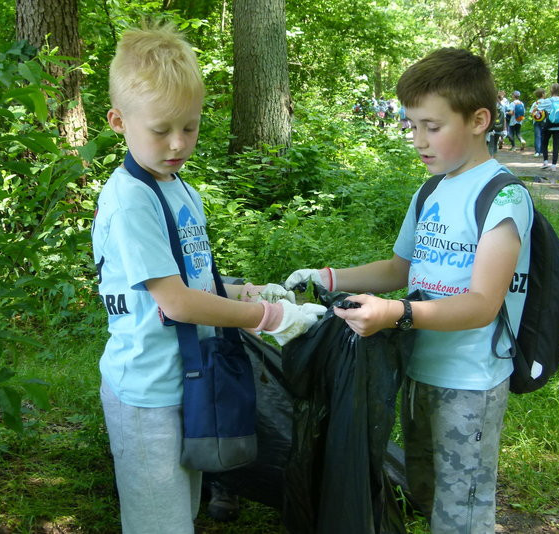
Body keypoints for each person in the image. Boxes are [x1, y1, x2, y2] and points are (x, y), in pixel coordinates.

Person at [285, 48, 533, 533]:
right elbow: (400, 266)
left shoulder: (501, 197)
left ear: (479, 120)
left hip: (469, 379)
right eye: (411, 124)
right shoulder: (431, 191)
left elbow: (482, 305)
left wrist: (396, 315)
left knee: (461, 506)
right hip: (416, 368)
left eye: (431, 126)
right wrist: (326, 277)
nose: (417, 139)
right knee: (427, 488)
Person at [92, 22, 326, 534]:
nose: (178, 143)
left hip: (189, 383)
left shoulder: (179, 188)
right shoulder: (131, 200)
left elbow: (196, 283)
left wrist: (251, 292)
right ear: (118, 121)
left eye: (190, 127)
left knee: (182, 510)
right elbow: (175, 303)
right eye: (160, 129)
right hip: (147, 392)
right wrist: (267, 317)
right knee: (161, 522)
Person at [539, 83, 559, 171]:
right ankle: (554, 165)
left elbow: (539, 108)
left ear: (551, 90)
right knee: (556, 145)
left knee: (544, 142)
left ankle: (545, 161)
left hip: (549, 125)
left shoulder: (548, 100)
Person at [529, 87, 546, 156]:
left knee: (537, 136)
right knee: (543, 136)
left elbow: (531, 112)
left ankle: (537, 151)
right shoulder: (546, 102)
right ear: (542, 94)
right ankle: (542, 151)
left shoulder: (535, 103)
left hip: (536, 121)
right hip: (544, 121)